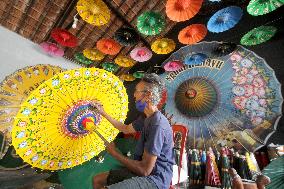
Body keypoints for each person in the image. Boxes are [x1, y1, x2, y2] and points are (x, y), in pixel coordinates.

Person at [92, 73, 175, 189]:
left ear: (148, 95)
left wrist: (114, 152)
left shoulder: (157, 125)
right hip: (144, 172)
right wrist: (102, 112)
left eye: (137, 91)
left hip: (155, 180)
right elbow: (125, 129)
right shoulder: (146, 117)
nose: (134, 95)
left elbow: (144, 170)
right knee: (98, 180)